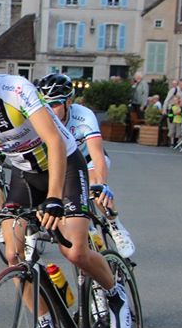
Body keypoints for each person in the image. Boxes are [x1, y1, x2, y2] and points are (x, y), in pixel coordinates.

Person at [0, 35, 133, 328]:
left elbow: (55, 143)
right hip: (24, 175)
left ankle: (114, 292)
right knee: (14, 255)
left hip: (65, 166)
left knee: (73, 250)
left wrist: (56, 199)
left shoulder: (16, 91)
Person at [38, 73, 135, 257]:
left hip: (88, 160)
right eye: (45, 104)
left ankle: (115, 224)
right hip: (63, 164)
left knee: (94, 184)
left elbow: (97, 154)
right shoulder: (40, 118)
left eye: (55, 104)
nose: (49, 109)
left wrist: (102, 184)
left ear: (68, 102)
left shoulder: (84, 115)